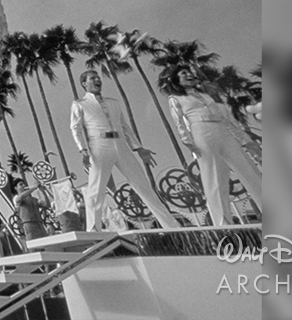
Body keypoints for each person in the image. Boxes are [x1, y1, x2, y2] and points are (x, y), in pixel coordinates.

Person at [71, 70, 179, 231]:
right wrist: (83, 151)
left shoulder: (113, 102)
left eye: (98, 77)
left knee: (143, 185)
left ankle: (172, 226)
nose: (97, 80)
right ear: (84, 84)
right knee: (96, 190)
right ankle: (94, 229)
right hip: (99, 145)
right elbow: (76, 128)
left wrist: (139, 148)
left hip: (121, 144)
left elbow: (125, 127)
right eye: (92, 78)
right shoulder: (80, 104)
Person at [165, 66, 262, 226]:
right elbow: (179, 122)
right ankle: (223, 225)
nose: (189, 74)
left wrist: (246, 140)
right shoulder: (175, 98)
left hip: (223, 130)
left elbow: (228, 119)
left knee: (248, 169)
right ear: (176, 80)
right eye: (183, 73)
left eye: (189, 72)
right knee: (214, 177)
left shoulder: (207, 95)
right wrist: (187, 141)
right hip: (202, 132)